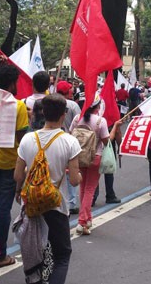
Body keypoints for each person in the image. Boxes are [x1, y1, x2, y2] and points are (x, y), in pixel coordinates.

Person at [14, 94, 82, 284]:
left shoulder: (28, 139)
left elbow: (18, 176)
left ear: (43, 112)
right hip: (57, 206)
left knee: (36, 255)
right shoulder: (70, 141)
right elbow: (75, 180)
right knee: (62, 255)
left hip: (32, 205)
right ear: (64, 114)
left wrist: (20, 192)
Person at [0, 62, 29, 268]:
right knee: (3, 210)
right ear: (11, 83)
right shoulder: (18, 106)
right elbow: (22, 138)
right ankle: (0, 254)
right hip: (11, 164)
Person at [69, 97, 113, 235]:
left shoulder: (77, 118)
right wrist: (116, 127)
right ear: (98, 106)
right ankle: (82, 221)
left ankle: (87, 219)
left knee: (83, 187)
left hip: (79, 156)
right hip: (95, 157)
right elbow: (107, 141)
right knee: (89, 189)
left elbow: (70, 135)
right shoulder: (101, 121)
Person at [55, 80, 82, 214]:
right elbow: (79, 122)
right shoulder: (72, 105)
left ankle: (60, 200)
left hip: (54, 140)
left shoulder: (52, 103)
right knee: (71, 171)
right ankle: (71, 202)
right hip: (70, 141)